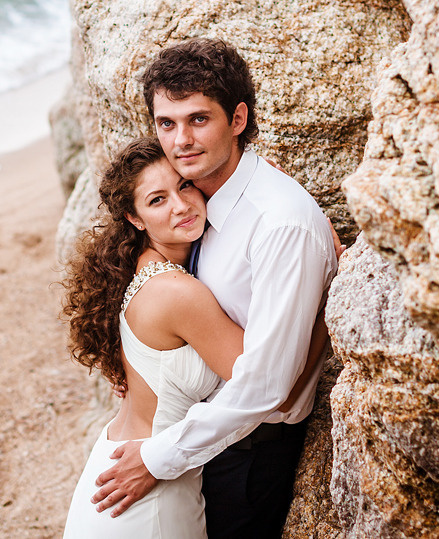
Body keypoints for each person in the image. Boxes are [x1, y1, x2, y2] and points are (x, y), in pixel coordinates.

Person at [90, 37, 341, 538]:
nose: (181, 140)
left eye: (199, 119)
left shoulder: (279, 225)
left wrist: (158, 458)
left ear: (238, 119)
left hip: (247, 455)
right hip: (200, 438)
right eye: (167, 123)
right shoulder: (201, 197)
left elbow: (269, 387)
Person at [60, 136, 328, 538]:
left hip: (123, 458)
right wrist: (325, 300)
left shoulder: (144, 264)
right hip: (146, 488)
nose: (181, 205)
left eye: (184, 186)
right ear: (135, 218)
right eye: (157, 200)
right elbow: (278, 387)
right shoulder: (178, 292)